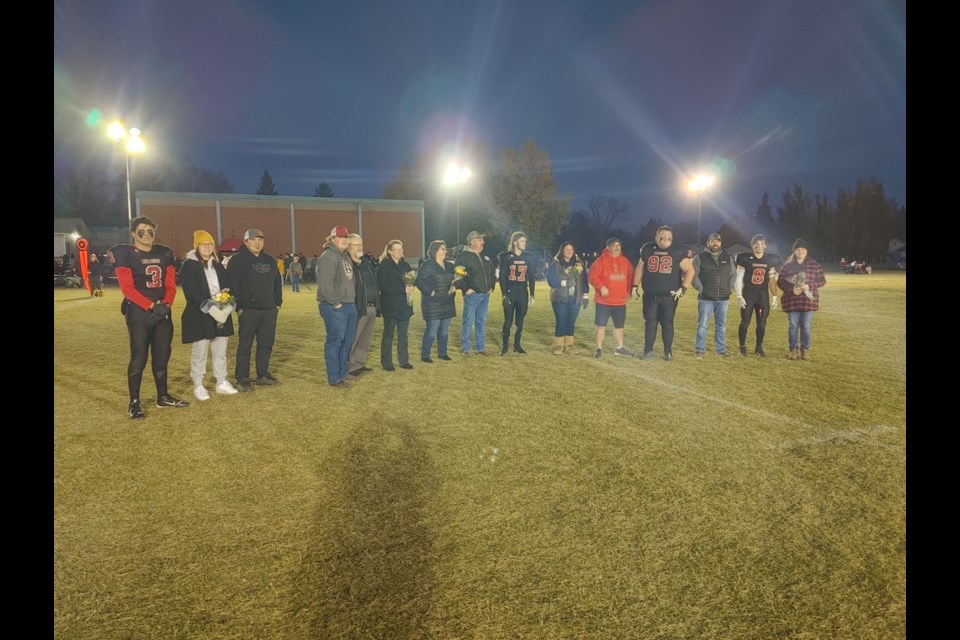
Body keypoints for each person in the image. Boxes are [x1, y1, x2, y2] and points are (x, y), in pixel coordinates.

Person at [109, 216, 189, 419]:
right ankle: (134, 402)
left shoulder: (164, 253)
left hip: (162, 310)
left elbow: (170, 285)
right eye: (142, 231)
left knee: (162, 355)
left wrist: (166, 305)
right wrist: (152, 306)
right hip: (139, 311)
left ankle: (162, 396)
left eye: (150, 231)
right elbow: (127, 289)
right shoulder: (125, 253)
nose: (146, 235)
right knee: (139, 357)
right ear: (134, 233)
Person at [179, 230, 239, 400]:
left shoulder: (217, 265)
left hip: (221, 313)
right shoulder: (190, 266)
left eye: (210, 244)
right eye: (203, 244)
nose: (207, 247)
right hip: (201, 313)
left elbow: (228, 286)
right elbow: (191, 292)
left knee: (220, 350)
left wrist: (225, 306)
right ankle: (198, 385)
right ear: (197, 246)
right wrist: (211, 308)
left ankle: (221, 381)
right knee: (200, 351)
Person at [226, 228, 283, 391]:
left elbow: (276, 282)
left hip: (269, 309)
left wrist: (277, 302)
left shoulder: (270, 260)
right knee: (245, 344)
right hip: (248, 310)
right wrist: (239, 306)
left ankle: (262, 375)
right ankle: (242, 377)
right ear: (245, 242)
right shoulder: (237, 261)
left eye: (260, 239)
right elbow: (232, 284)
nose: (257, 242)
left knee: (266, 343)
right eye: (253, 239)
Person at [632, 225, 694, 361]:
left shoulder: (678, 252)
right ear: (656, 237)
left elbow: (690, 270)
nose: (665, 240)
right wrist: (634, 286)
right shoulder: (648, 249)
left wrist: (683, 288)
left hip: (669, 296)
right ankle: (648, 350)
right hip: (650, 295)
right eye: (662, 237)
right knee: (650, 323)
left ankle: (668, 351)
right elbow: (639, 269)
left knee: (667, 323)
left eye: (668, 237)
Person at [316, 225, 358, 386]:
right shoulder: (328, 256)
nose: (343, 240)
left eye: (346, 237)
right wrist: (336, 303)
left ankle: (342, 372)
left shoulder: (345, 256)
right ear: (332, 239)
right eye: (340, 237)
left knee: (347, 341)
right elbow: (325, 284)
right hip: (335, 307)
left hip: (349, 305)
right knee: (335, 341)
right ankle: (334, 377)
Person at [777, 238, 827, 360]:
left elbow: (822, 281)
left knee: (806, 326)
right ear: (794, 251)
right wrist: (791, 290)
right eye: (798, 249)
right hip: (792, 301)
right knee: (793, 325)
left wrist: (809, 286)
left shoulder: (815, 265)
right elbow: (780, 282)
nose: (801, 251)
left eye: (803, 249)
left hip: (808, 301)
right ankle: (793, 349)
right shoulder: (787, 266)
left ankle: (804, 349)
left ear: (807, 251)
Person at [691, 232, 738, 358]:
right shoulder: (700, 257)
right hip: (705, 298)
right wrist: (701, 289)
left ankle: (721, 350)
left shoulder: (727, 257)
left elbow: (733, 274)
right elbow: (693, 275)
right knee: (702, 325)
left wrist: (730, 289)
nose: (715, 243)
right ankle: (700, 349)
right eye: (712, 241)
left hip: (723, 298)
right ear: (708, 243)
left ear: (721, 243)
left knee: (721, 325)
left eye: (717, 241)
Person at [588, 237, 635, 358]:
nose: (617, 247)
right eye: (614, 245)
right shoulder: (600, 261)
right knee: (600, 325)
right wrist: (601, 287)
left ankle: (619, 348)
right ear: (608, 247)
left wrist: (631, 291)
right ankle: (598, 347)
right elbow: (592, 276)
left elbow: (630, 277)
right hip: (604, 302)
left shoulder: (625, 261)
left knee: (619, 326)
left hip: (620, 302)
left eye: (619, 245)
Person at [734, 234, 780, 357]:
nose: (759, 246)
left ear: (765, 246)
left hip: (762, 295)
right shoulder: (745, 259)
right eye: (756, 244)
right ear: (752, 245)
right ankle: (742, 347)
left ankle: (759, 347)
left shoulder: (769, 260)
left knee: (762, 322)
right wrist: (739, 294)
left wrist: (774, 296)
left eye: (761, 244)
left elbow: (771, 279)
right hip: (748, 294)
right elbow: (738, 278)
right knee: (745, 321)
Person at [454, 230, 495, 356]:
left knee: (481, 321)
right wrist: (466, 289)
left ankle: (479, 348)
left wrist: (491, 286)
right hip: (473, 295)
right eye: (480, 240)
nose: (483, 242)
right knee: (468, 321)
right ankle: (465, 348)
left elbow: (492, 272)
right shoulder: (463, 257)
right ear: (472, 242)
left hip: (485, 294)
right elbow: (458, 276)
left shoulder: (484, 257)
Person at [415, 240, 456, 362]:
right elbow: (419, 281)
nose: (445, 251)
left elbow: (457, 279)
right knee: (432, 330)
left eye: (445, 248)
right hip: (432, 303)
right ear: (435, 251)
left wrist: (456, 285)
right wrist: (430, 291)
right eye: (442, 249)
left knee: (444, 331)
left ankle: (442, 353)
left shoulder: (449, 265)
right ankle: (425, 355)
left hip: (447, 302)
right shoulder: (428, 265)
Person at [497, 231, 537, 355]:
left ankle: (517, 345)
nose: (525, 243)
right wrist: (504, 294)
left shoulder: (528, 257)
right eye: (522, 241)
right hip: (510, 291)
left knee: (520, 321)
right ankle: (504, 346)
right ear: (515, 242)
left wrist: (532, 294)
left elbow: (531, 276)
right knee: (508, 321)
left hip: (522, 292)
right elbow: (502, 277)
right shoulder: (506, 257)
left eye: (525, 241)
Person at [377, 239, 415, 371]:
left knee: (403, 335)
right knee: (388, 335)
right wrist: (402, 289)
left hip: (404, 306)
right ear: (389, 251)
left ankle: (404, 360)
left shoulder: (406, 265)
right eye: (396, 249)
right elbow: (384, 286)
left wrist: (411, 287)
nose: (399, 252)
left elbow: (410, 282)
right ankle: (387, 362)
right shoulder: (384, 265)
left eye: (401, 249)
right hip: (390, 306)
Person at [346, 233, 380, 377]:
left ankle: (359, 363)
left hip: (372, 306)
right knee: (354, 338)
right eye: (356, 245)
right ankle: (349, 365)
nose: (360, 247)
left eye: (361, 245)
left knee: (366, 339)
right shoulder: (347, 264)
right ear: (348, 247)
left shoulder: (365, 262)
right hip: (359, 307)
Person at [546, 241, 589, 355]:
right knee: (561, 321)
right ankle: (558, 345)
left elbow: (584, 280)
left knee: (571, 322)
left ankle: (569, 346)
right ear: (562, 251)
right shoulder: (556, 264)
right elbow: (550, 280)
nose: (569, 252)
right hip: (559, 298)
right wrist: (564, 283)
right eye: (567, 249)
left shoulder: (579, 264)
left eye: (571, 249)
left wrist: (585, 295)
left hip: (575, 298)